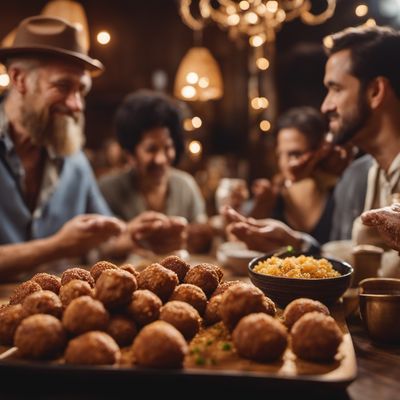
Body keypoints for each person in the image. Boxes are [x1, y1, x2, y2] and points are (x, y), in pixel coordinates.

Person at [0, 16, 182, 280]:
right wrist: (56, 247)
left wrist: (135, 236)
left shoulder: (75, 160)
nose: (76, 105)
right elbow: (66, 245)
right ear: (19, 79)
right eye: (63, 86)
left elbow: (104, 242)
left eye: (81, 91)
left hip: (61, 316)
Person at [225, 25, 400, 276]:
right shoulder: (363, 174)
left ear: (375, 92)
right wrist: (295, 245)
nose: (326, 106)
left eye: (336, 89)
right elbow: (356, 269)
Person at [99, 89, 212, 253]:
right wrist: (132, 237)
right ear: (130, 154)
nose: (161, 159)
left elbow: (202, 236)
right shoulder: (108, 189)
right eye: (151, 149)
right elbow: (96, 251)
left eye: (168, 147)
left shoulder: (186, 185)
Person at [247, 106, 336, 244]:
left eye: (295, 154)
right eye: (280, 154)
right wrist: (262, 205)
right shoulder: (273, 195)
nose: (285, 163)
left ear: (321, 150)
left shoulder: (338, 192)